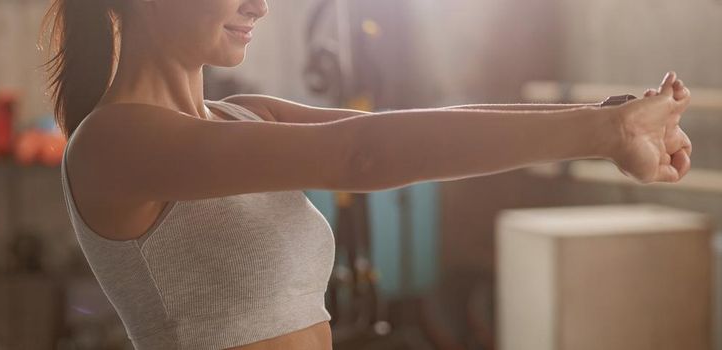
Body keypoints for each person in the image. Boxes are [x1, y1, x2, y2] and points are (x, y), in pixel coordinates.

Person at [42, 0, 693, 348]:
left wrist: (605, 122)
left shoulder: (242, 114)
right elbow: (363, 155)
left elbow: (413, 127)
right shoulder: (113, 142)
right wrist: (601, 134)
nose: (260, 5)